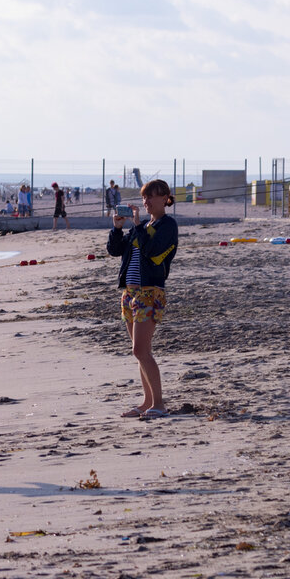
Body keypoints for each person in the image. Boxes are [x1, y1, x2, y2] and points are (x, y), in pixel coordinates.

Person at [106, 179, 179, 421]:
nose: (146, 201)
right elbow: (116, 251)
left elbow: (153, 251)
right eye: (144, 197)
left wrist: (137, 225)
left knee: (141, 349)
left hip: (151, 293)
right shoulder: (143, 226)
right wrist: (117, 229)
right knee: (140, 352)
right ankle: (147, 402)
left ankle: (159, 403)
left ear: (165, 198)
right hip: (130, 293)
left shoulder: (167, 225)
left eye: (152, 197)